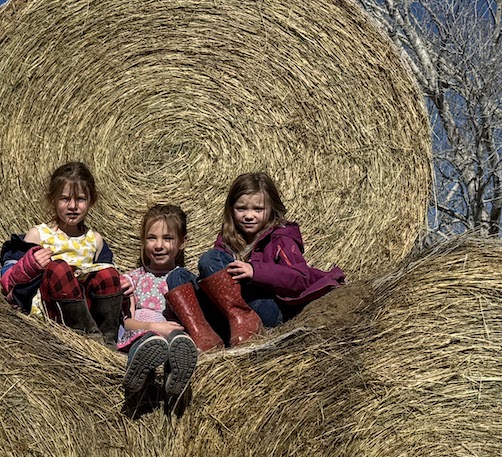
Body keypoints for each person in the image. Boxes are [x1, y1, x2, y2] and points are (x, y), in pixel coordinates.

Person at [165, 172, 345, 348]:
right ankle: (203, 337)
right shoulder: (227, 240)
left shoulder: (281, 238)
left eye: (258, 209)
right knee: (177, 276)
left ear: (271, 209)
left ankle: (245, 321)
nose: (249, 215)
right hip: (229, 315)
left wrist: (255, 271)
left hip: (266, 308)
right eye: (241, 208)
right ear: (231, 209)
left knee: (210, 258)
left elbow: (300, 278)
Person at [0, 162, 122, 348]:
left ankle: (107, 342)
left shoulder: (95, 240)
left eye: (80, 199)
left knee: (109, 274)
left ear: (92, 201)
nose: (72, 206)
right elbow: (7, 279)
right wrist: (29, 264)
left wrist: (123, 283)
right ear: (53, 199)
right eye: (64, 198)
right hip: (52, 313)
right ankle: (85, 338)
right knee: (59, 268)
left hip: (90, 312)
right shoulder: (38, 235)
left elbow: (107, 284)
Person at [118, 204, 199, 401]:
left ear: (183, 242)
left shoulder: (184, 280)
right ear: (143, 241)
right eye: (152, 238)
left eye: (168, 238)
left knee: (178, 342)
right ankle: (137, 368)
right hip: (142, 333)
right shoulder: (134, 279)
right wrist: (153, 326)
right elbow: (126, 323)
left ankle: (176, 377)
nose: (159, 245)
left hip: (174, 336)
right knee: (151, 341)